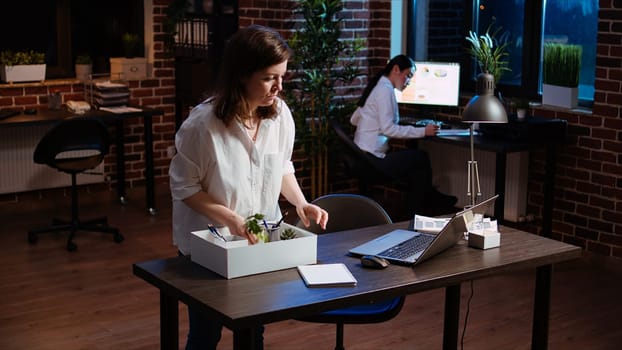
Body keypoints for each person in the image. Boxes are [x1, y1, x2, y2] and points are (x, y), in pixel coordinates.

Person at [169, 25, 329, 350]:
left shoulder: (280, 116)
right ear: (242, 74)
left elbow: (281, 166)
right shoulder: (202, 126)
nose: (278, 87)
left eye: (282, 77)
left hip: (259, 243)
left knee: (254, 331)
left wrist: (300, 203)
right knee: (206, 333)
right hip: (207, 244)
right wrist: (231, 219)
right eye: (270, 77)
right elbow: (184, 188)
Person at [350, 54, 457, 215]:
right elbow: (388, 129)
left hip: (362, 156)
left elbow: (354, 119)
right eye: (408, 76)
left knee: (417, 171)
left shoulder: (378, 87)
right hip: (372, 160)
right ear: (395, 69)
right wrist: (423, 131)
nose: (408, 82)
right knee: (421, 158)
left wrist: (370, 124)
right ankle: (426, 205)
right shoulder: (384, 90)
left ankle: (418, 210)